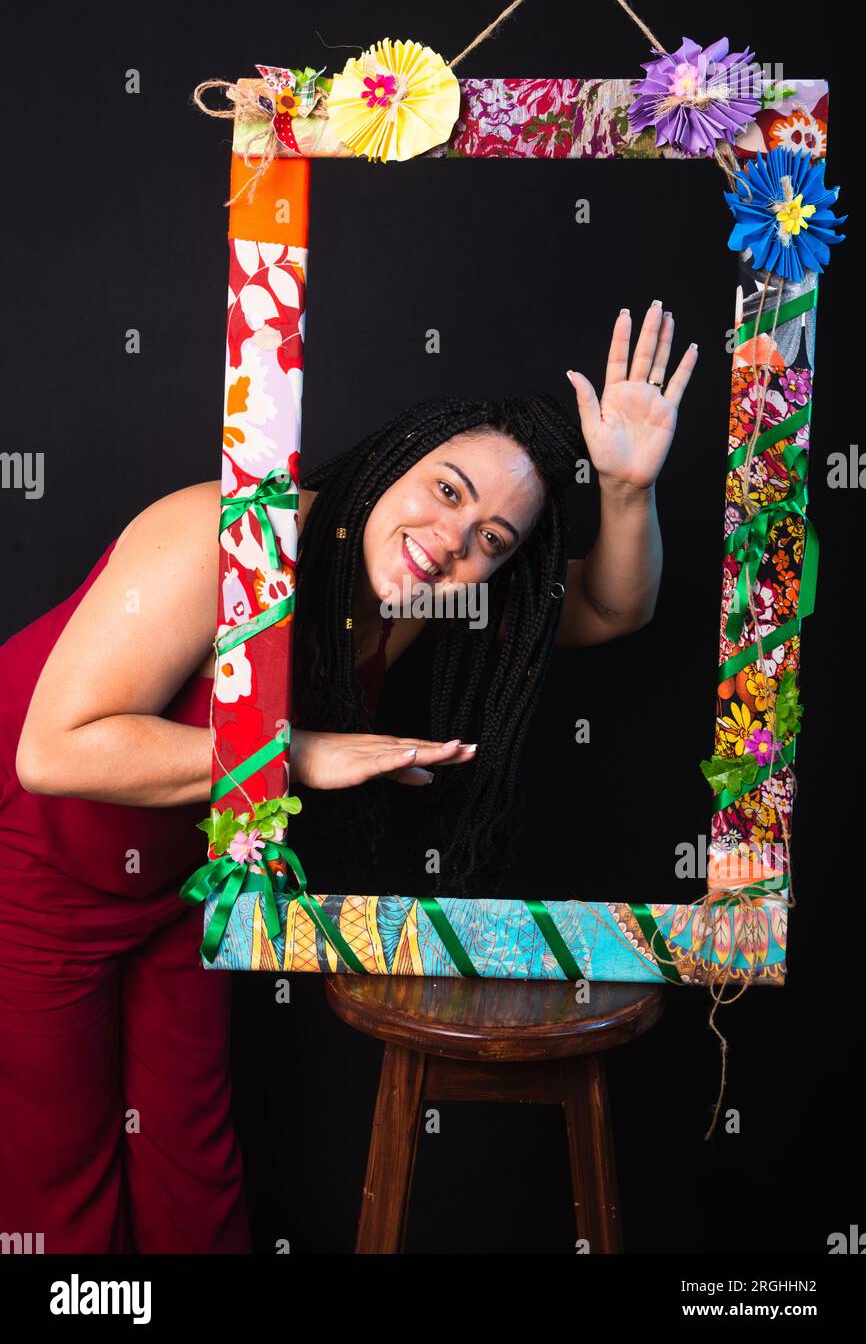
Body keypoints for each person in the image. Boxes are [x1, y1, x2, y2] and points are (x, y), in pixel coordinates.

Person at [0, 301, 695, 1252]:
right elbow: (53, 752)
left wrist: (623, 490)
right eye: (447, 491)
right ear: (391, 458)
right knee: (52, 1165)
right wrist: (301, 757)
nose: (454, 540)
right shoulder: (226, 534)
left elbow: (613, 611)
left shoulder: (412, 594)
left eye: (492, 540)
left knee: (189, 1148)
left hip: (175, 881)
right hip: (28, 861)